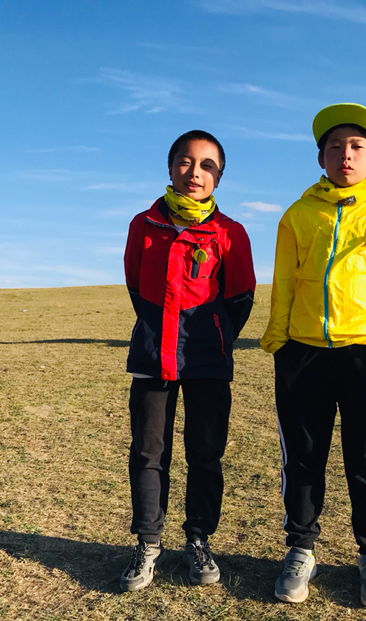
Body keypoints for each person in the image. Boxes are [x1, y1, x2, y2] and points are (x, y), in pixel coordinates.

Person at [261, 103, 366, 607]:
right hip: (303, 354)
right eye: (334, 147)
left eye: (356, 146)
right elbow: (285, 281)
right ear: (321, 158)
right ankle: (300, 549)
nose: (345, 155)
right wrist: (278, 341)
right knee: (303, 456)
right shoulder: (298, 214)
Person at [120, 130, 256, 592]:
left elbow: (240, 298)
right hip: (151, 357)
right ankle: (148, 543)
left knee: (206, 453)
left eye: (207, 165)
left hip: (208, 361)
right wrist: (160, 332)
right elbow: (136, 285)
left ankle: (198, 539)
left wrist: (213, 335)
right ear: (170, 166)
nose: (194, 172)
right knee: (148, 452)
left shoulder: (230, 233)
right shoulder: (144, 225)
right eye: (185, 161)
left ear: (219, 176)